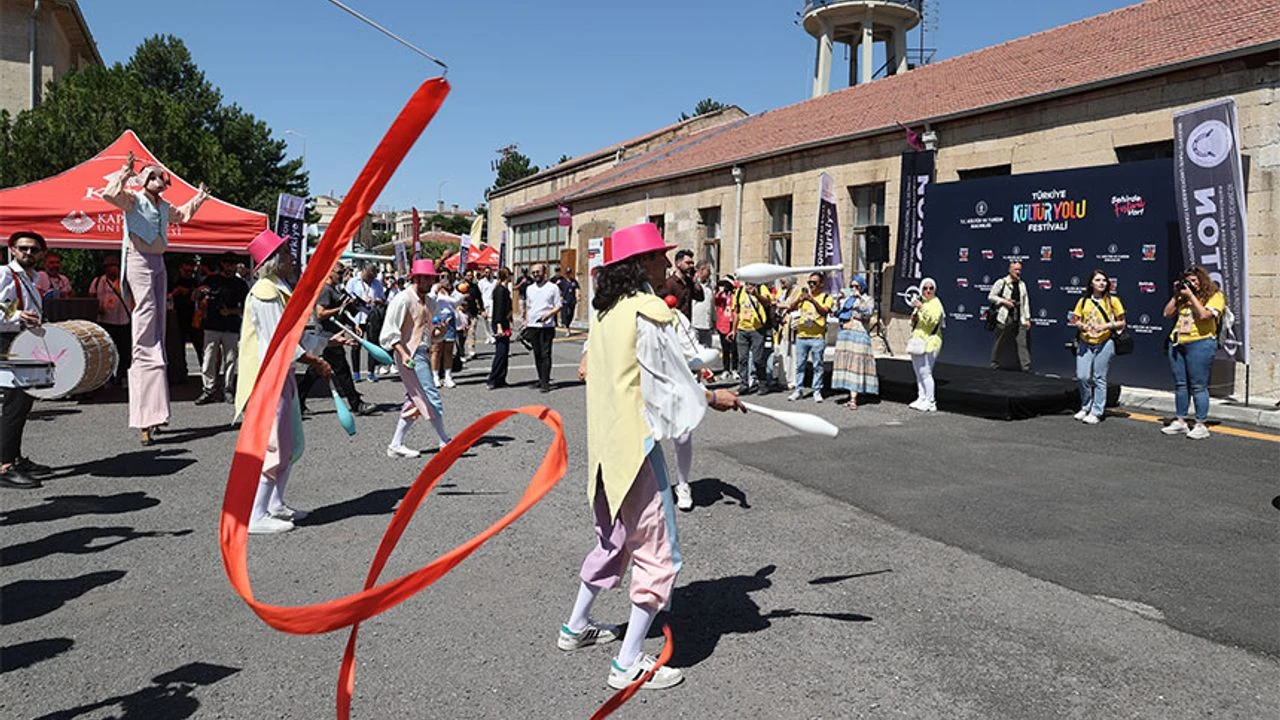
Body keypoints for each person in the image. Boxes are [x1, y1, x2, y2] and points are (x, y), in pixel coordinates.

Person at [558, 221, 742, 691]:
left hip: (604, 451)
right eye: (661, 256)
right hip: (636, 450)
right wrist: (713, 398)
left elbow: (656, 372)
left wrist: (702, 380)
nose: (667, 264)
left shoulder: (604, 312)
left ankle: (576, 627)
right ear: (642, 263)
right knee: (659, 554)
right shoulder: (647, 310)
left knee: (614, 542)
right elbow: (670, 381)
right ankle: (627, 662)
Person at [101, 154, 210, 445]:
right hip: (138, 259)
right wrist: (125, 171)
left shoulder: (164, 207)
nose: (160, 180)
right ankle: (145, 417)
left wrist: (199, 197)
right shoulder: (133, 200)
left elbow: (184, 215)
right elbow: (109, 194)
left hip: (158, 262)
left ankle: (157, 411)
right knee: (146, 331)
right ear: (143, 181)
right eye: (153, 176)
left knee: (157, 333)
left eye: (161, 176)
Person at [233, 230, 332, 534]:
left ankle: (275, 504)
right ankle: (256, 513)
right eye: (287, 254)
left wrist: (330, 343)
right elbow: (280, 342)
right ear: (274, 261)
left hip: (281, 376)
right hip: (268, 379)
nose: (292, 259)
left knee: (291, 444)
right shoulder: (265, 292)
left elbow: (295, 338)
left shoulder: (277, 288)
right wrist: (314, 360)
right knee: (274, 445)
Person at [380, 259, 452, 457]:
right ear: (416, 278)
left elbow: (429, 334)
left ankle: (395, 444)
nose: (430, 282)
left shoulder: (430, 302)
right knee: (429, 394)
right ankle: (444, 440)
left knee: (414, 399)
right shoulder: (402, 299)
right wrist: (403, 355)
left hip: (421, 353)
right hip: (409, 355)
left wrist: (441, 332)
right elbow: (389, 332)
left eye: (432, 279)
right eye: (427, 278)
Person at [0, 232, 52, 489]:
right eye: (23, 248)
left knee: (23, 403)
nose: (28, 253)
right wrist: (18, 314)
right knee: (15, 403)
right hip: (9, 343)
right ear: (12, 249)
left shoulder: (31, 278)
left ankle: (15, 457)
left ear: (41, 253)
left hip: (24, 343)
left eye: (34, 249)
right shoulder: (4, 274)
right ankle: (4, 466)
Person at [1161, 266, 1226, 440]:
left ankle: (1200, 424)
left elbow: (1205, 315)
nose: (1192, 284)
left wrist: (1191, 296)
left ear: (1202, 281)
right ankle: (1181, 420)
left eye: (1195, 281)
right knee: (1181, 384)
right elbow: (1167, 313)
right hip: (1178, 342)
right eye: (1188, 281)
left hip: (1201, 343)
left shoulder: (1215, 296)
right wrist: (1177, 295)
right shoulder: (1182, 297)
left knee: (1198, 385)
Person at [297, 263, 368, 416]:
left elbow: (341, 312)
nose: (341, 275)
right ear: (329, 272)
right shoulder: (324, 290)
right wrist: (341, 307)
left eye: (343, 272)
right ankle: (356, 404)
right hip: (326, 336)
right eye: (339, 272)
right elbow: (321, 313)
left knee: (315, 371)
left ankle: (297, 401)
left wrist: (353, 324)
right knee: (342, 371)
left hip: (332, 335)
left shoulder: (335, 289)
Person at [1069, 269, 1126, 425]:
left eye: (1104, 280)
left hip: (1105, 341)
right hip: (1085, 341)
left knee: (1099, 377)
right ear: (1091, 283)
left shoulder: (1113, 301)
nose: (1101, 283)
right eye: (1098, 280)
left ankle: (1097, 411)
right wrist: (1082, 326)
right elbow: (1075, 319)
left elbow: (1122, 322)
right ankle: (1086, 406)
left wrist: (1105, 326)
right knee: (1082, 376)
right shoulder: (1083, 301)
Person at [195, 253, 246, 405]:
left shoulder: (240, 284)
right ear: (222, 264)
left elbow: (246, 307)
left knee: (230, 359)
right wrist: (200, 292)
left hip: (231, 326)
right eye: (227, 263)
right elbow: (195, 297)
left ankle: (228, 388)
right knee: (209, 358)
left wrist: (230, 312)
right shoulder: (212, 280)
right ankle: (208, 389)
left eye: (232, 263)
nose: (229, 266)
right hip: (212, 325)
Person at [785, 272, 835, 403]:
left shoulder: (826, 297)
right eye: (809, 283)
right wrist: (799, 299)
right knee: (800, 365)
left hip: (817, 337)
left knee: (818, 365)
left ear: (821, 284)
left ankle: (817, 390)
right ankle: (798, 389)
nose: (811, 285)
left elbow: (824, 311)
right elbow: (790, 308)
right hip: (802, 336)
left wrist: (812, 300)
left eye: (814, 283)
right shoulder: (804, 297)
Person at [832, 275, 878, 411]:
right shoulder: (848, 300)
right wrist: (838, 300)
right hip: (845, 333)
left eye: (856, 286)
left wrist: (860, 298)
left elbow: (868, 312)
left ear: (862, 287)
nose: (853, 289)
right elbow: (836, 313)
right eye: (852, 286)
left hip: (858, 333)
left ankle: (854, 398)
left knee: (855, 365)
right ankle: (850, 395)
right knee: (847, 364)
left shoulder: (867, 299)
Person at [89, 256, 131, 386]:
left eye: (113, 265)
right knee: (107, 352)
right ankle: (108, 378)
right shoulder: (97, 281)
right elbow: (91, 298)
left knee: (125, 352)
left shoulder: (125, 281)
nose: (111, 268)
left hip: (123, 320)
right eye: (108, 266)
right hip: (105, 321)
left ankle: (122, 376)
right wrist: (98, 308)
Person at [345, 262, 387, 383]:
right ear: (363, 271)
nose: (370, 279)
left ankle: (371, 372)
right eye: (368, 276)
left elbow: (383, 299)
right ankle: (356, 373)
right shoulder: (353, 282)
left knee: (372, 345)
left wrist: (378, 301)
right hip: (357, 317)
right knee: (356, 345)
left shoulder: (377, 283)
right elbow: (346, 297)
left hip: (372, 316)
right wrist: (357, 300)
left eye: (372, 277)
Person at [523, 262, 561, 392]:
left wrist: (549, 314)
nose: (535, 275)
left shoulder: (553, 288)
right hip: (533, 324)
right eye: (533, 272)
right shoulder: (530, 288)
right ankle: (540, 379)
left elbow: (558, 306)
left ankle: (545, 382)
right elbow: (528, 307)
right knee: (537, 354)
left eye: (538, 272)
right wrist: (526, 322)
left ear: (544, 273)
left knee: (546, 354)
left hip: (546, 325)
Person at [987, 261, 1032, 372]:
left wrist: (1027, 318)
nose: (1018, 272)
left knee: (1022, 343)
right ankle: (994, 363)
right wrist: (1004, 301)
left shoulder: (1022, 284)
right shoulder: (1002, 282)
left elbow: (1025, 302)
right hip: (1005, 317)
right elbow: (991, 296)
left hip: (1019, 317)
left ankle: (1026, 367)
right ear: (1010, 270)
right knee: (999, 341)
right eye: (1016, 270)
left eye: (1019, 270)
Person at [731, 280, 772, 395]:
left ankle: (762, 383)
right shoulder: (739, 291)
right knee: (742, 359)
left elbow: (767, 302)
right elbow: (736, 312)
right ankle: (744, 384)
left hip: (757, 329)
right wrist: (733, 330)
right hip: (742, 329)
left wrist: (756, 295)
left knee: (757, 359)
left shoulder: (761, 287)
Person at [908, 278, 944, 412]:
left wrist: (920, 307)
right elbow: (915, 323)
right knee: (918, 372)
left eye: (931, 288)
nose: (928, 291)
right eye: (925, 288)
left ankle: (931, 401)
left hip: (931, 341)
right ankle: (921, 397)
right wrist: (914, 318)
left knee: (926, 372)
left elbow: (933, 319)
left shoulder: (936, 303)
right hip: (918, 341)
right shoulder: (922, 302)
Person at [169, 259, 202, 379]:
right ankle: (181, 373)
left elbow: (200, 293)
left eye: (191, 270)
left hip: (194, 318)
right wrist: (175, 292)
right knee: (178, 349)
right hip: (178, 317)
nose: (188, 273)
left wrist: (188, 291)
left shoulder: (195, 282)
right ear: (180, 269)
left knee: (199, 346)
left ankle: (204, 371)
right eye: (186, 270)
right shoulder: (174, 281)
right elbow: (168, 296)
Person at [430, 277, 462, 388]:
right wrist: (437, 290)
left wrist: (455, 291)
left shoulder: (451, 292)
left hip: (450, 319)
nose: (445, 280)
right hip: (437, 318)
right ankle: (435, 376)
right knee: (436, 350)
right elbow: (431, 299)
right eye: (442, 277)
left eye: (446, 277)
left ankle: (448, 376)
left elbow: (458, 301)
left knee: (449, 350)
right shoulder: (433, 289)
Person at [487, 268, 514, 389]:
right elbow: (498, 309)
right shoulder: (500, 290)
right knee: (501, 352)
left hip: (505, 322)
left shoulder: (505, 289)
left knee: (505, 351)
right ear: (507, 276)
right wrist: (499, 326)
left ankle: (501, 378)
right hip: (500, 323)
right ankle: (493, 378)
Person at [713, 277, 738, 380]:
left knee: (734, 348)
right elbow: (715, 302)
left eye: (727, 285)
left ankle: (735, 369)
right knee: (725, 349)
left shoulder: (734, 295)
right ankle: (726, 369)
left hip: (732, 323)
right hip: (722, 323)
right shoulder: (720, 295)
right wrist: (716, 290)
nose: (725, 287)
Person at [689, 261, 715, 349]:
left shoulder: (711, 285)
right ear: (701, 270)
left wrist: (714, 320)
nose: (710, 273)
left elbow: (712, 304)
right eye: (708, 270)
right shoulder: (692, 284)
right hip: (695, 324)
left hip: (707, 325)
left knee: (707, 351)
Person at [556, 267, 582, 335]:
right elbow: (556, 289)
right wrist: (560, 297)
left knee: (571, 315)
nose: (568, 274)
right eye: (567, 273)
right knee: (566, 315)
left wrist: (578, 296)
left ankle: (567, 324)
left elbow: (577, 289)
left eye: (569, 273)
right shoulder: (562, 282)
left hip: (572, 300)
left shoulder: (574, 281)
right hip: (565, 301)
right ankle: (567, 329)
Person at [477, 267, 497, 346]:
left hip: (492, 302)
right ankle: (488, 336)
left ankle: (492, 336)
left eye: (489, 272)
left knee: (490, 320)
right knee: (484, 321)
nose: (487, 274)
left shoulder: (495, 282)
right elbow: (479, 294)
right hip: (484, 303)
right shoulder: (481, 282)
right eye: (486, 272)